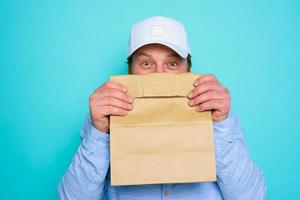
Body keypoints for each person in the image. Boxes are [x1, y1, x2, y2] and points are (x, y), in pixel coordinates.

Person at [58, 16, 266, 200]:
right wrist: (99, 131)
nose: (159, 75)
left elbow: (251, 197)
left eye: (172, 64)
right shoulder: (103, 119)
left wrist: (221, 123)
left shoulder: (217, 116)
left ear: (188, 70)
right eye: (146, 64)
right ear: (130, 70)